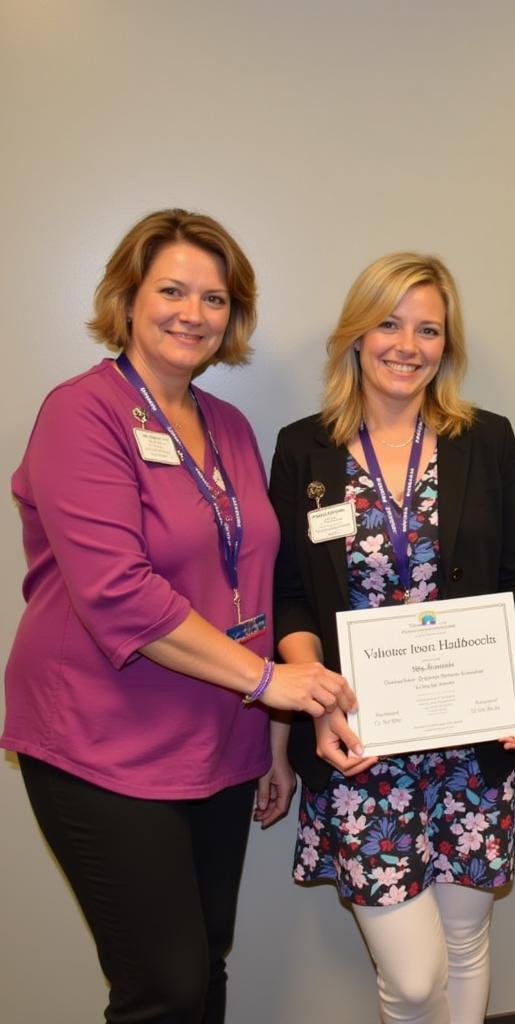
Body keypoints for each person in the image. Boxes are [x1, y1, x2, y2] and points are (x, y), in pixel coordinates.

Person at [2, 209, 353, 1024]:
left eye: (215, 299)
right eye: (171, 290)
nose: (193, 314)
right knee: (162, 985)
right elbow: (119, 591)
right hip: (99, 739)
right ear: (128, 297)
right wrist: (271, 682)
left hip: (218, 737)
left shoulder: (228, 426)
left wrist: (271, 733)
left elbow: (254, 580)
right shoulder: (80, 415)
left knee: (205, 966)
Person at [270, 251, 515, 1024]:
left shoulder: (484, 439)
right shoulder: (305, 449)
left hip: (472, 739)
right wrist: (316, 695)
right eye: (390, 322)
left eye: (429, 329)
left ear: (446, 346)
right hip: (362, 742)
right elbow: (289, 598)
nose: (408, 344)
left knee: (465, 945)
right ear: (356, 335)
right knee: (416, 977)